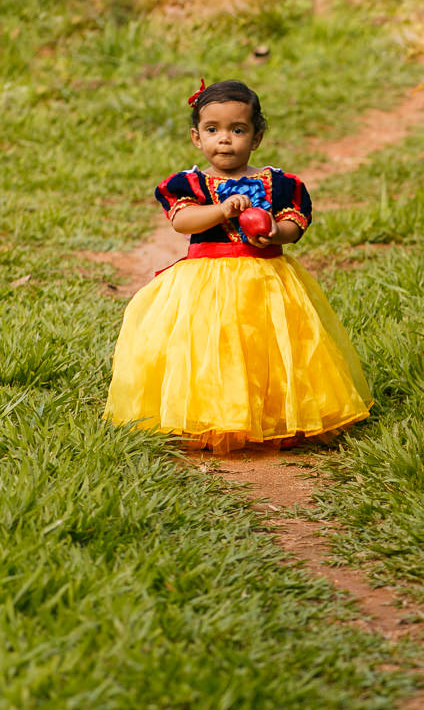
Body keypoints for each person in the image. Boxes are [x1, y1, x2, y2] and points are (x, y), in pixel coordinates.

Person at [104, 79, 373, 454]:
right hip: (204, 283)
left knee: (269, 348)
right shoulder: (190, 184)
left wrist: (275, 232)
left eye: (238, 130)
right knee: (211, 347)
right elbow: (182, 221)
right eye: (213, 130)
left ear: (256, 137)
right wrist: (221, 210)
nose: (225, 140)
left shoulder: (280, 183)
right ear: (197, 137)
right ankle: (214, 415)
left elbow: (295, 224)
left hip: (267, 280)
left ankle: (274, 413)